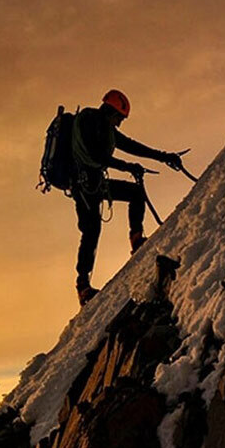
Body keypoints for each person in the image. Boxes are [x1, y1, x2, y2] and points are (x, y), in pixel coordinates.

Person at [72, 89, 186, 305]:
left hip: (94, 185)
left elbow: (132, 146)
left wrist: (164, 157)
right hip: (83, 187)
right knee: (91, 230)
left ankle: (136, 239)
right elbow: (96, 156)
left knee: (134, 193)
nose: (119, 123)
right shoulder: (89, 122)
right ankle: (83, 285)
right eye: (120, 118)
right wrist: (126, 166)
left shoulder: (105, 128)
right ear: (111, 111)